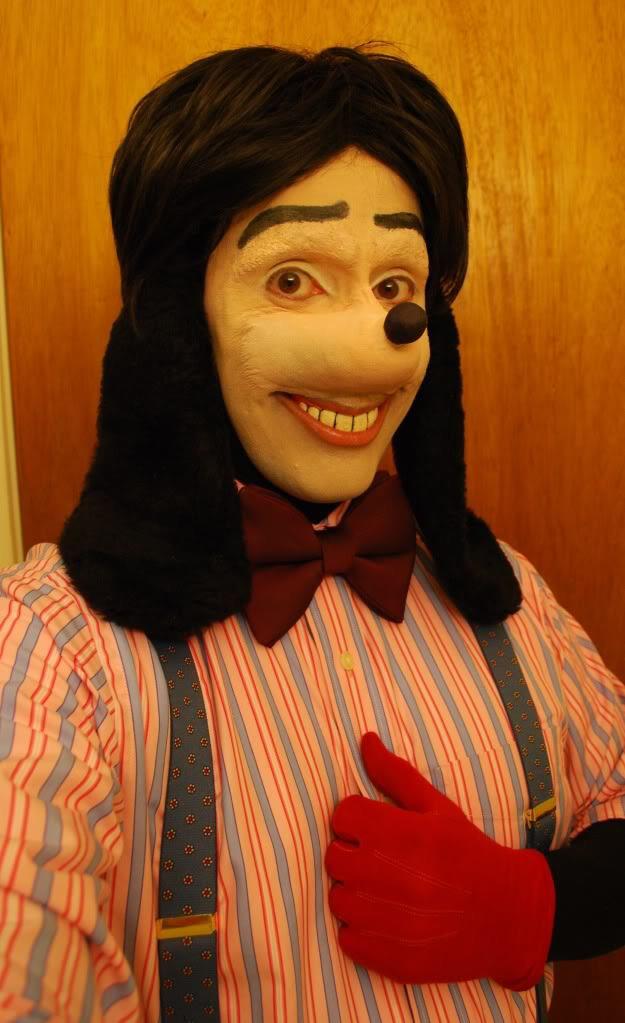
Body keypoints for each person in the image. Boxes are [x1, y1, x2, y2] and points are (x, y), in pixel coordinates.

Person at [1, 41, 624, 1023]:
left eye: (395, 288)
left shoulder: (509, 601)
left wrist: (540, 903)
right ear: (179, 316)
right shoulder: (55, 649)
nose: (371, 347)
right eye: (291, 279)